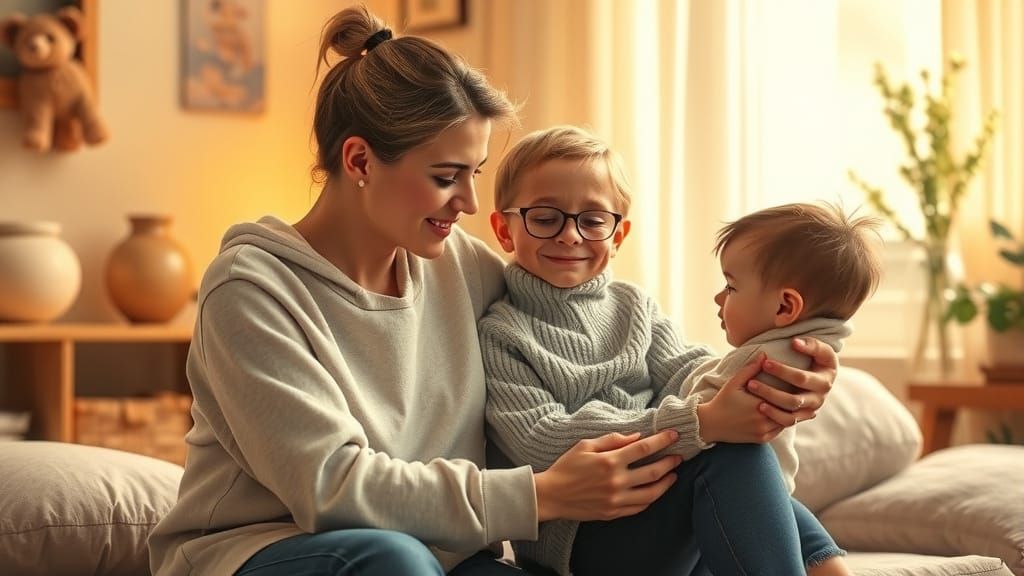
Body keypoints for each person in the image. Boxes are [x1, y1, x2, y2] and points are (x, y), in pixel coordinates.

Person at [148, 6, 843, 576]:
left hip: (446, 553)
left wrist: (768, 376)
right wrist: (539, 494)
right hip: (276, 549)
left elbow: (611, 330)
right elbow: (331, 488)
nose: (471, 203)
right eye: (446, 176)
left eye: (476, 173)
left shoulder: (462, 268)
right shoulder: (251, 291)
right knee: (393, 562)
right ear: (359, 160)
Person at [482, 126, 853, 575]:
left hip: (665, 501)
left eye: (593, 220)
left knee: (739, 450)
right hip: (582, 536)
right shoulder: (503, 332)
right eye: (545, 219)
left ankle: (829, 569)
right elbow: (541, 441)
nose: (571, 236)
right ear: (504, 230)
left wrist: (772, 374)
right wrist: (699, 422)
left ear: (619, 235)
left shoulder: (634, 306)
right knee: (731, 452)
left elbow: (693, 373)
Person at [685, 202, 882, 492]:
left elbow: (683, 427)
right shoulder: (805, 353)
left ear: (785, 307)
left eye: (731, 287)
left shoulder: (760, 362)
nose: (718, 298)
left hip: (728, 496)